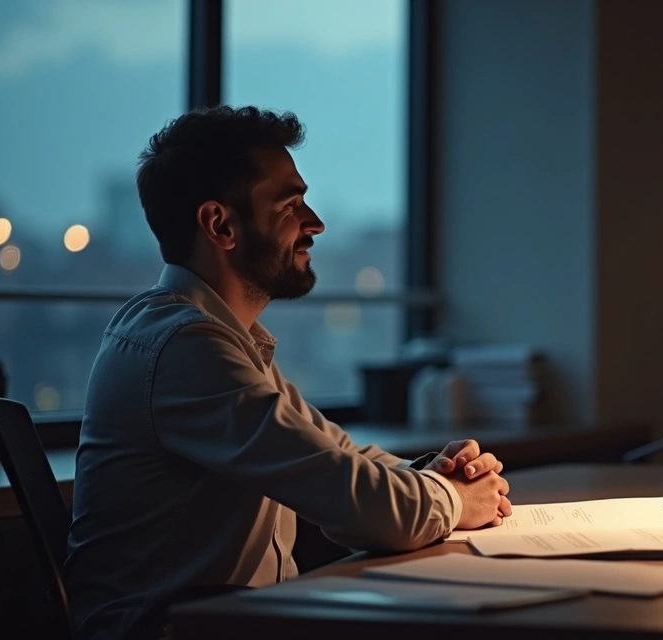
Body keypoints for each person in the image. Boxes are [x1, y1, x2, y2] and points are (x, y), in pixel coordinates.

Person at [64, 106, 513, 640]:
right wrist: (456, 499)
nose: (314, 223)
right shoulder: (185, 347)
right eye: (290, 204)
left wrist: (431, 472)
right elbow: (362, 505)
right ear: (221, 224)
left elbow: (335, 454)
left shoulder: (214, 335)